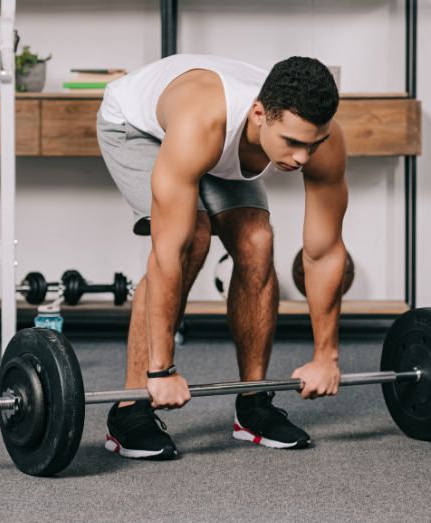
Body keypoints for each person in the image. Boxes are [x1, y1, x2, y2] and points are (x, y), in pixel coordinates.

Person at [96, 54, 349, 460]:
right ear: (260, 113)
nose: (303, 157)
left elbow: (324, 252)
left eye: (312, 144)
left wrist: (326, 356)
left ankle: (253, 405)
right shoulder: (203, 121)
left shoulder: (323, 141)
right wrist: (161, 370)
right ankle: (129, 411)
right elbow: (168, 254)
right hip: (137, 127)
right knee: (192, 236)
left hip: (220, 142)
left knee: (257, 240)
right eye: (293, 143)